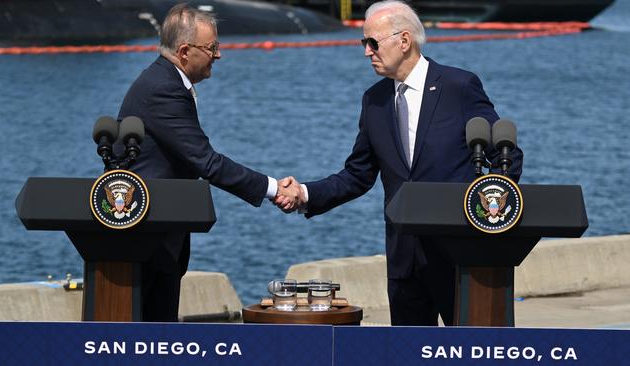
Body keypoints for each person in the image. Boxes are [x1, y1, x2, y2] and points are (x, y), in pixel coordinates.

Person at [276, 0, 523, 326]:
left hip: (461, 258)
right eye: (364, 43)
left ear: (404, 41)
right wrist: (305, 194)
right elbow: (357, 175)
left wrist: (488, 217)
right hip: (404, 261)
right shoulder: (374, 100)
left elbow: (506, 159)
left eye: (372, 42)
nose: (367, 52)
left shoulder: (458, 87)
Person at [117, 4, 300, 322]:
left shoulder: (166, 81)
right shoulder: (163, 89)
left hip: (158, 234)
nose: (219, 55)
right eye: (212, 47)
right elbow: (206, 161)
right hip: (146, 239)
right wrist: (273, 188)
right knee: (147, 334)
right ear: (185, 51)